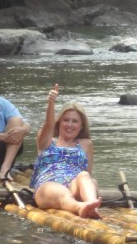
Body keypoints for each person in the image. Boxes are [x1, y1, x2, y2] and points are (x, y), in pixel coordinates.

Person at [30, 84, 101, 219]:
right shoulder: (47, 141)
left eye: (74, 121)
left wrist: (88, 185)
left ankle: (92, 205)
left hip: (74, 184)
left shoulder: (86, 144)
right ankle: (81, 207)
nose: (69, 125)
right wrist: (51, 102)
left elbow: (88, 173)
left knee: (85, 176)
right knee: (62, 192)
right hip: (49, 186)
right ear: (59, 123)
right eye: (66, 120)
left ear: (81, 126)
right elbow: (48, 124)